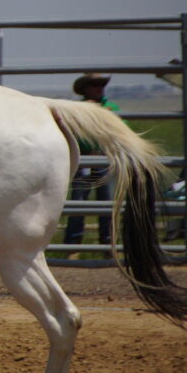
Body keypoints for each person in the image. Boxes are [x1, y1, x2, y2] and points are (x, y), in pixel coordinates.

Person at [63, 73, 119, 247]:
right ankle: (74, 243)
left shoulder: (110, 107)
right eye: (94, 85)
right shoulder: (78, 108)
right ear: (85, 89)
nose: (99, 88)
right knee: (79, 202)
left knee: (106, 202)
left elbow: (122, 129)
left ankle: (107, 242)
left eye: (101, 84)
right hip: (84, 157)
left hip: (104, 157)